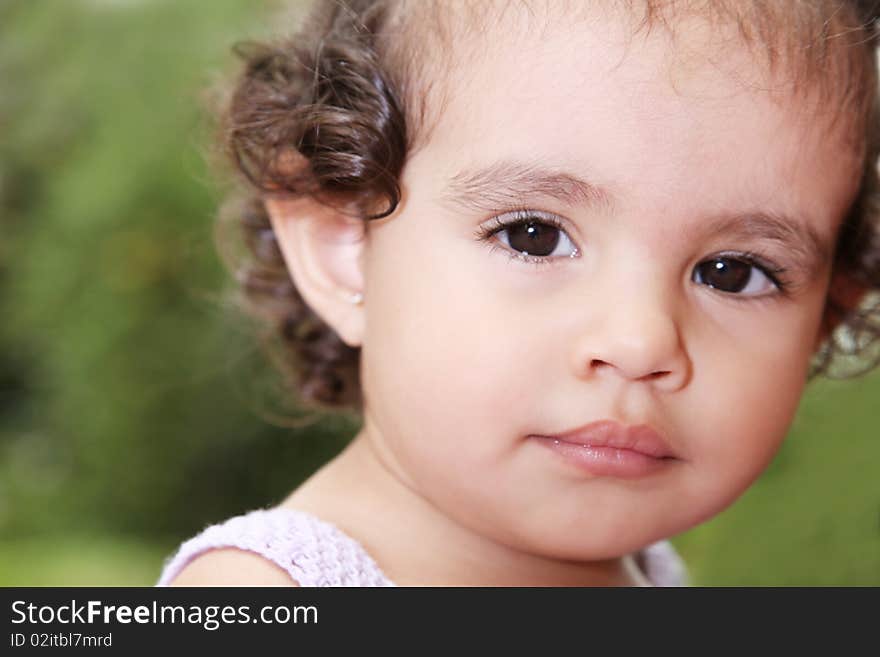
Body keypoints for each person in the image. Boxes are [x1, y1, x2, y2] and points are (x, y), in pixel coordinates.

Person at [157, 0, 880, 586]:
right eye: (533, 235)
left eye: (734, 272)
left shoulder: (652, 575)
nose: (639, 341)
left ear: (827, 313)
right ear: (343, 244)